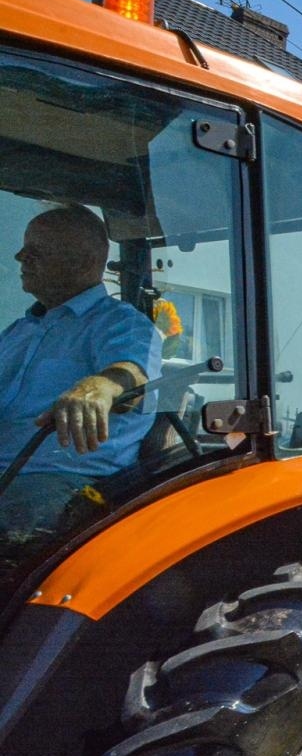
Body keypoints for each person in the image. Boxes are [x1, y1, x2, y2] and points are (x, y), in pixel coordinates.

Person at [0, 204, 161, 538]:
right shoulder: (19, 332)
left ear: (86, 263)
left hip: (66, 483)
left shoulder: (121, 323)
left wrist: (101, 386)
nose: (19, 257)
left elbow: (132, 374)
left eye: (35, 252)